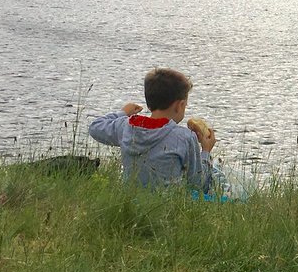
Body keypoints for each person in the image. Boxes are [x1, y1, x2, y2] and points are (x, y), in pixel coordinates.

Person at [88, 67, 229, 198]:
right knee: (216, 169)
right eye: (185, 105)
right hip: (168, 208)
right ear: (179, 106)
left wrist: (122, 113)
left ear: (149, 102)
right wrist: (205, 150)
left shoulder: (126, 126)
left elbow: (95, 127)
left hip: (130, 203)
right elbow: (198, 185)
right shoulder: (185, 137)